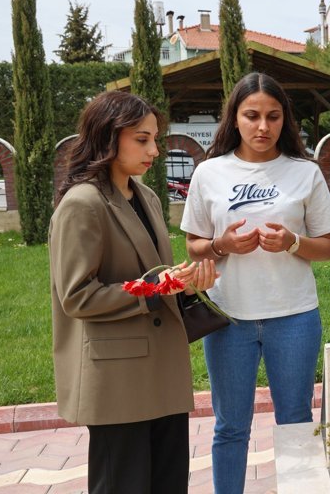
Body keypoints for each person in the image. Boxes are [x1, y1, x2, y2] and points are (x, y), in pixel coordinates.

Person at [181, 72, 330, 494]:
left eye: (273, 116)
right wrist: (222, 244)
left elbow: (327, 248)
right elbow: (194, 247)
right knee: (230, 426)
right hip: (228, 317)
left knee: (296, 422)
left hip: (294, 317)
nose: (262, 126)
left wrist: (292, 243)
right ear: (234, 118)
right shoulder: (209, 173)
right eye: (251, 115)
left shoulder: (305, 173)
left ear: (284, 119)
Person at [49, 90, 218, 493]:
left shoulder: (148, 198)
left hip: (162, 369)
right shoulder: (82, 204)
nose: (154, 151)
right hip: (117, 379)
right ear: (108, 137)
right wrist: (157, 289)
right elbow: (77, 295)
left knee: (168, 483)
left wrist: (185, 283)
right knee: (122, 485)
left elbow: (156, 275)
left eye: (154, 139)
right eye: (142, 139)